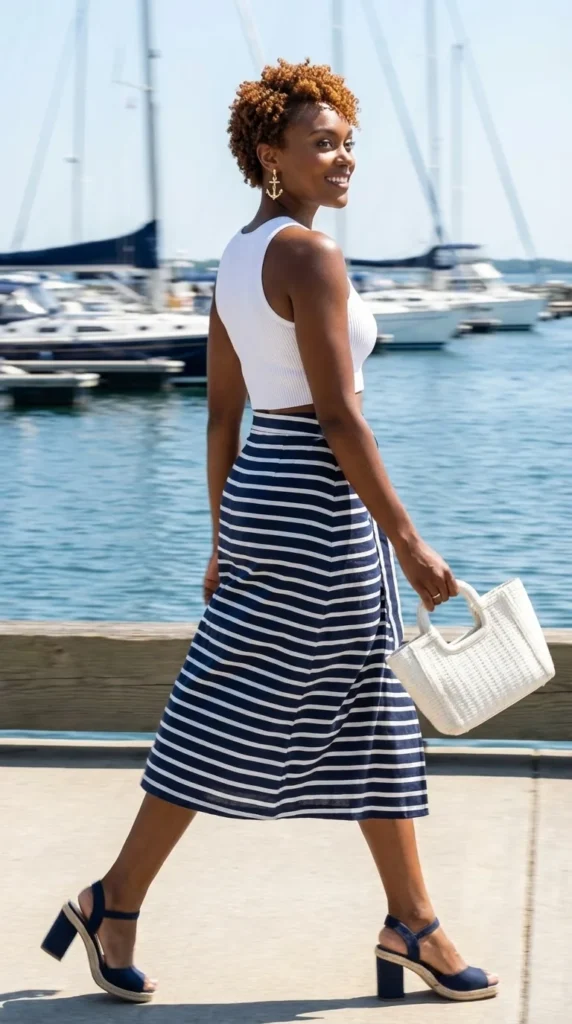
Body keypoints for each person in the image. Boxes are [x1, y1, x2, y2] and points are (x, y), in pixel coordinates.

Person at [41, 58, 498, 1004]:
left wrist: (221, 535)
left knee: (357, 701)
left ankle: (407, 917)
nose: (343, 159)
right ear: (270, 155)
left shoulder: (238, 255)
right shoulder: (309, 256)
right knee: (260, 701)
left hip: (261, 493)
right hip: (319, 502)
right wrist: (408, 540)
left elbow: (221, 415)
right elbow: (339, 417)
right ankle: (117, 895)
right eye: (322, 143)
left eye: (347, 142)